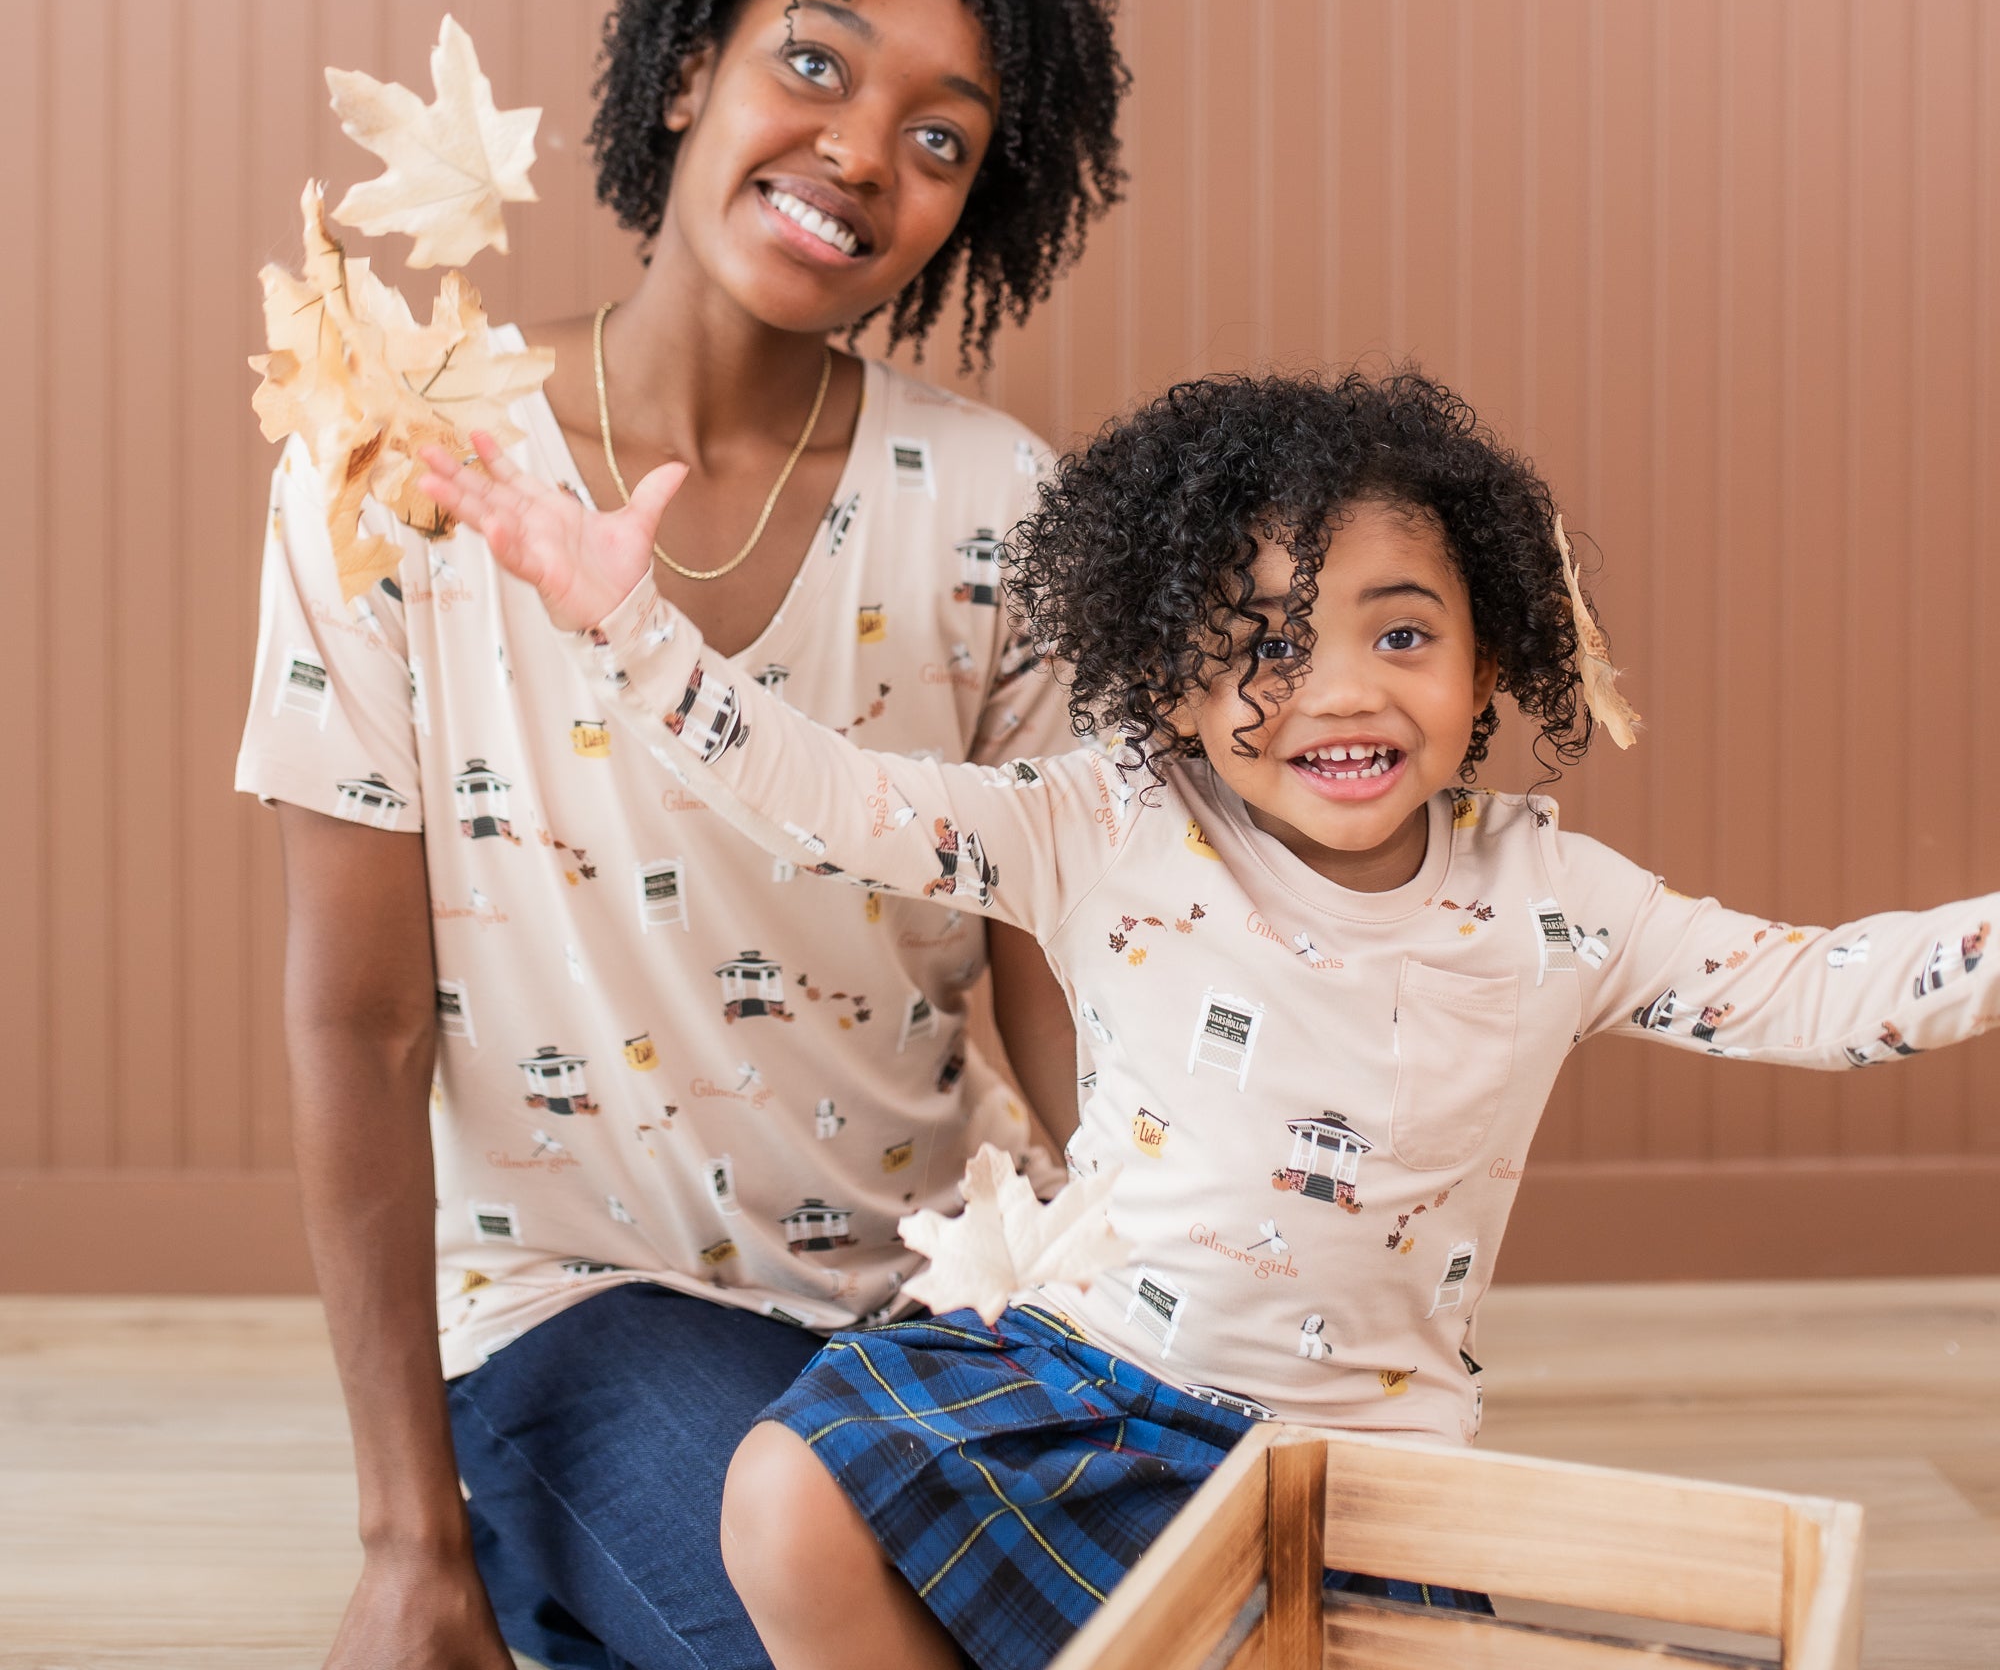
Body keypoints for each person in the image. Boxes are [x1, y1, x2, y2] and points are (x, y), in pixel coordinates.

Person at [419, 367, 1999, 1670]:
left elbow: (1829, 990)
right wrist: (630, 630)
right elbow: (836, 805)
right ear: (1167, 684)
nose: (1340, 691)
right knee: (783, 1490)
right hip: (1091, 1395)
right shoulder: (1110, 825)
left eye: (1400, 633)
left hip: (1355, 1480)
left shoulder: (1553, 898)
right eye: (1260, 648)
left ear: (1486, 661)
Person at [236, 0, 1129, 1670]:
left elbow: (1063, 979)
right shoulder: (404, 464)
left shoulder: (996, 508)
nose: (860, 155)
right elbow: (358, 1016)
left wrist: (1193, 1312)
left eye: (941, 137)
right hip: (583, 1306)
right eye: (813, 61)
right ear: (682, 72)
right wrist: (409, 1544)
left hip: (944, 1304)